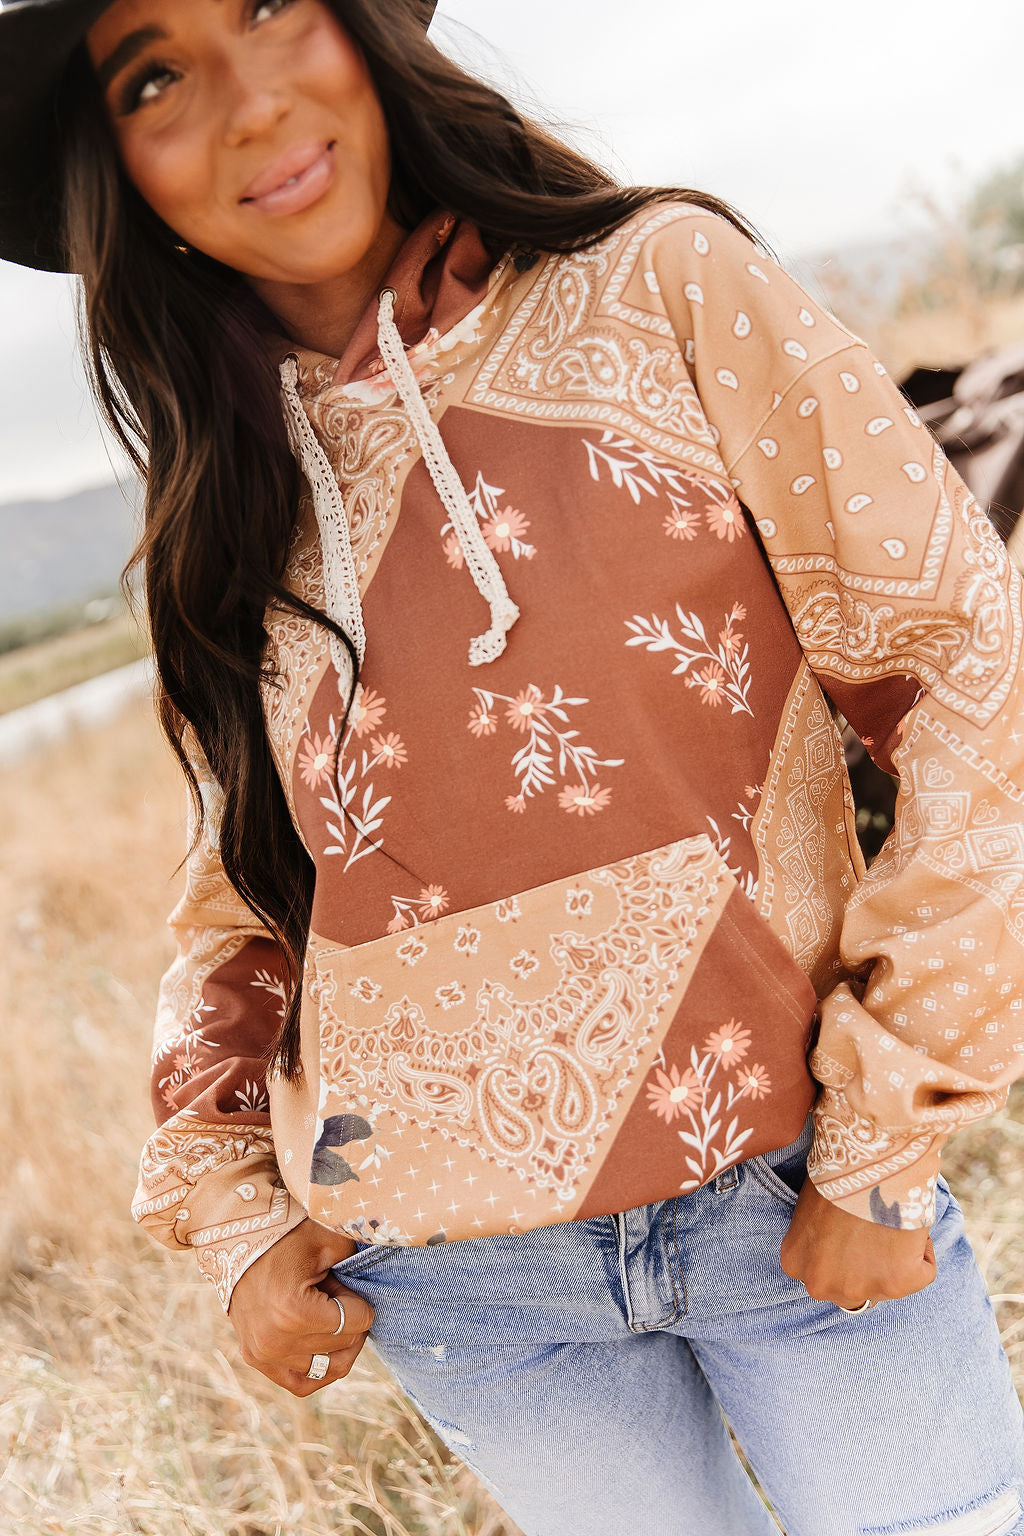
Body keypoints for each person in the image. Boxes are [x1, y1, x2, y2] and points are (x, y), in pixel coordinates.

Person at [2, 1, 1022, 1531]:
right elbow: (248, 895)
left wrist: (880, 1145)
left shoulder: (663, 282)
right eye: (156, 77)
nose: (250, 102)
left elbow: (969, 680)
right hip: (461, 1285)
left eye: (271, 3)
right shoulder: (224, 502)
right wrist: (229, 1209)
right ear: (113, 169)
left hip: (790, 1187)